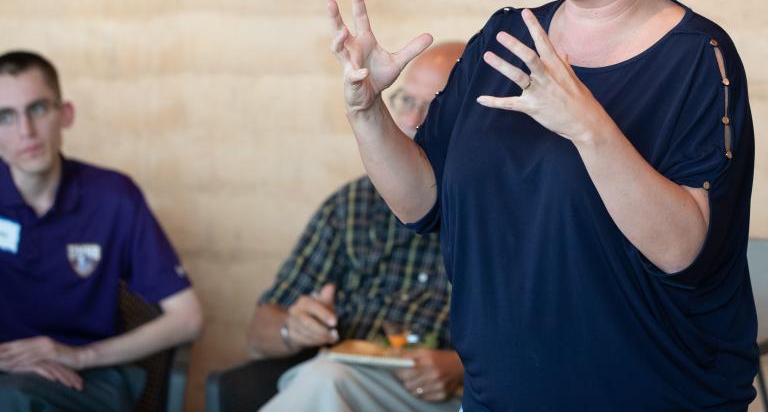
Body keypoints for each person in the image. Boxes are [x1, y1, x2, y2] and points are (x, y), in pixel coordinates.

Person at [327, 0, 759, 411]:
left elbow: (683, 248)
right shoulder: (504, 39)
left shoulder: (697, 58)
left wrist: (586, 125)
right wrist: (368, 110)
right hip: (498, 398)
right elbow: (421, 202)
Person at [248, 42, 466, 412]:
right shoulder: (352, 205)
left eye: (432, 106)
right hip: (346, 384)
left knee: (325, 381)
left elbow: (549, 337)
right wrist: (293, 328)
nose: (413, 120)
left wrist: (459, 368)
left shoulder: (501, 210)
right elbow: (258, 333)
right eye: (406, 101)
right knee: (326, 380)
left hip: (446, 398)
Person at [0, 51, 203, 411]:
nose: (25, 131)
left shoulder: (112, 197)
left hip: (91, 379)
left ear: (65, 114)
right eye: (6, 116)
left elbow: (187, 318)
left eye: (38, 109)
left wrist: (81, 356)